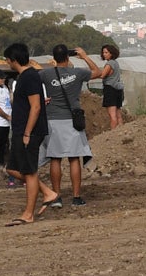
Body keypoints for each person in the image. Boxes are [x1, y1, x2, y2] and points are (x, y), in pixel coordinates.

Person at [42, 43, 104, 206]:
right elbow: (98, 72)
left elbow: (29, 83)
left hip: (53, 120)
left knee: (55, 159)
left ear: (54, 58)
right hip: (72, 121)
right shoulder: (78, 73)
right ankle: (76, 197)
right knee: (74, 158)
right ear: (68, 57)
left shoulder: (46, 74)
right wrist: (84, 56)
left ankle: (56, 197)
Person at [3, 42, 58, 224]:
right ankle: (48, 192)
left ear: (14, 60)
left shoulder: (30, 77)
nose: (7, 63)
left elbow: (35, 106)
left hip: (29, 132)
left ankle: (28, 214)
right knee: (12, 168)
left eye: (8, 60)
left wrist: (27, 133)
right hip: (20, 130)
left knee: (30, 171)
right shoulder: (24, 77)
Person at [94, 43, 127, 130]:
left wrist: (91, 75)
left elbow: (102, 75)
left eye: (106, 52)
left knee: (112, 115)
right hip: (118, 90)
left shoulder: (109, 64)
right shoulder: (116, 63)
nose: (104, 54)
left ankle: (113, 134)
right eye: (103, 53)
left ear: (111, 53)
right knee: (118, 114)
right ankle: (121, 131)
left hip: (110, 89)